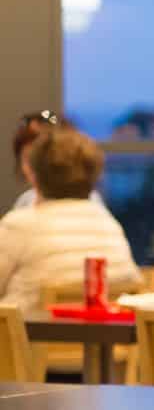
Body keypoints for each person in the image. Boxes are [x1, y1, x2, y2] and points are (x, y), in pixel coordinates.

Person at [0, 126, 140, 313]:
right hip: (100, 332)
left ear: (34, 174)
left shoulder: (19, 225)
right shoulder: (109, 225)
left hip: (26, 330)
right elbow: (133, 286)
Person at [9, 111, 102, 212]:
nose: (34, 167)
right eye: (27, 158)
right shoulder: (25, 201)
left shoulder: (89, 204)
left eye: (42, 159)